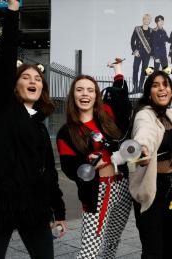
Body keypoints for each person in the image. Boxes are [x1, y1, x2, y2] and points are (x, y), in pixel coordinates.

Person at [0, 1, 66, 258]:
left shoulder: (38, 123)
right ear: (14, 86)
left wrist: (58, 211)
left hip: (34, 207)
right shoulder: (1, 107)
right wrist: (13, 13)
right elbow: (4, 63)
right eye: (26, 77)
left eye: (37, 78)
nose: (33, 80)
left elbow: (49, 171)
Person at [56, 59, 132, 259]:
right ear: (73, 95)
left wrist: (118, 71)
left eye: (90, 90)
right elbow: (68, 166)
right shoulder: (67, 132)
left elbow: (121, 97)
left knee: (113, 241)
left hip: (122, 186)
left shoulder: (106, 114)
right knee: (89, 250)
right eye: (80, 90)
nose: (85, 94)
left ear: (96, 95)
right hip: (97, 192)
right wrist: (87, 163)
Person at [130, 68, 172, 258]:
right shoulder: (145, 115)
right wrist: (142, 148)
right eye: (156, 86)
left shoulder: (169, 114)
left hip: (171, 186)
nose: (162, 89)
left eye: (166, 85)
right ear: (148, 92)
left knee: (171, 245)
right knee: (153, 250)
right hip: (152, 188)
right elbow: (145, 133)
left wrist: (169, 93)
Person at [130, 14, 153, 94]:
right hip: (138, 53)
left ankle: (140, 87)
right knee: (135, 69)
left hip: (147, 53)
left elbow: (152, 44)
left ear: (150, 21)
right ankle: (135, 88)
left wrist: (151, 54)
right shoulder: (137, 29)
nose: (146, 20)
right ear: (143, 20)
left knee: (144, 71)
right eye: (145, 19)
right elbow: (132, 41)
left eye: (148, 19)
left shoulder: (151, 31)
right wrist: (134, 51)